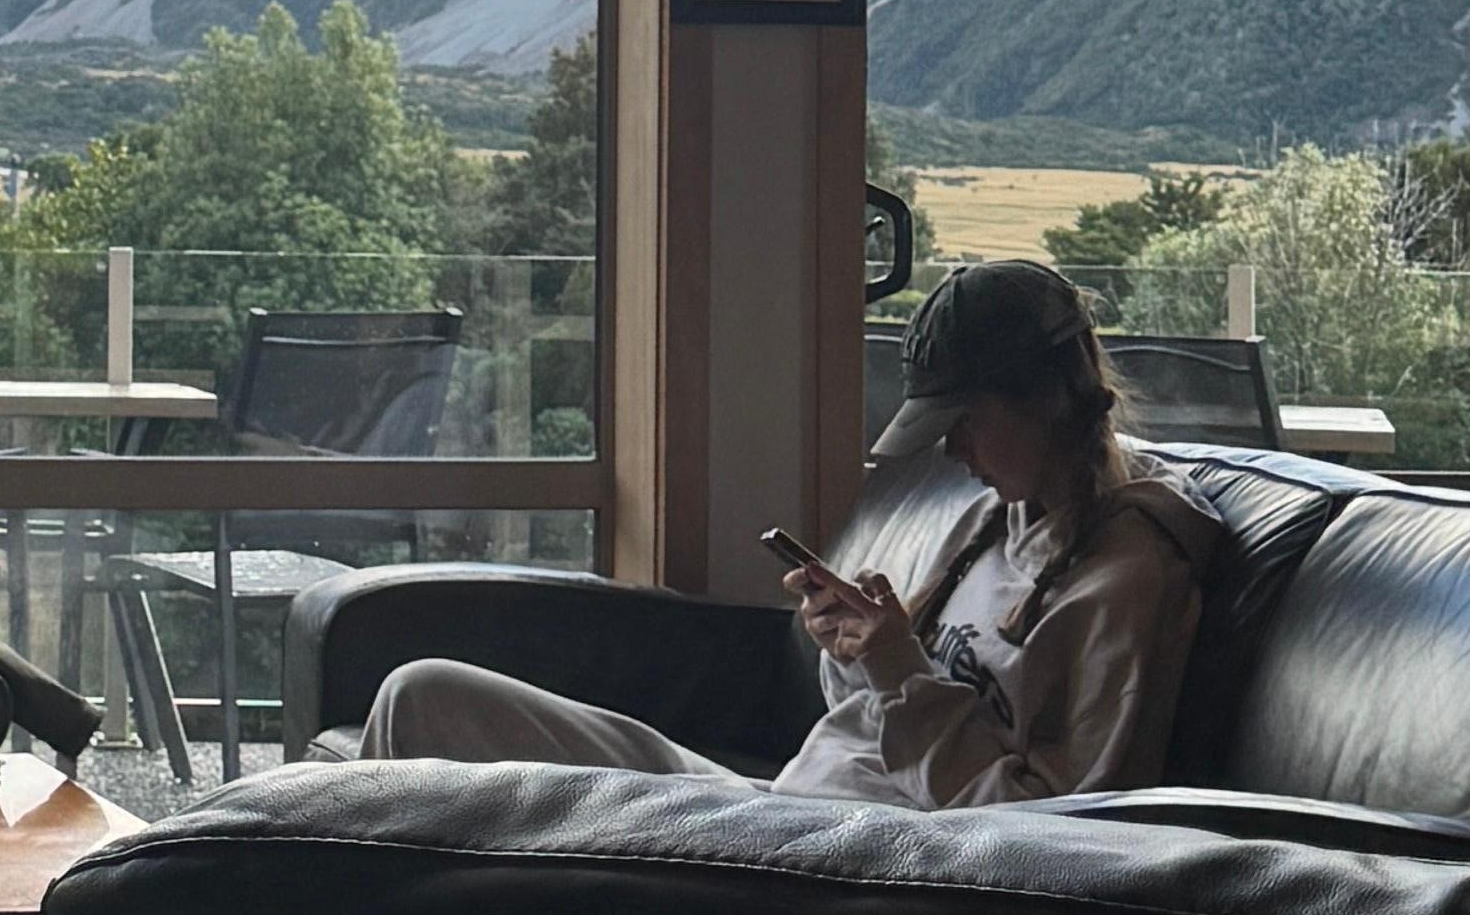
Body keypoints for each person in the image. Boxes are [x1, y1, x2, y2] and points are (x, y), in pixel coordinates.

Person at [362, 256, 1213, 806]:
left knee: (422, 722)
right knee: (422, 694)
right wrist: (858, 652)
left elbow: (1050, 838)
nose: (954, 452)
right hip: (777, 806)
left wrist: (901, 673)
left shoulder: (1126, 584)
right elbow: (875, 725)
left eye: (966, 422)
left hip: (811, 859)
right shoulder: (991, 522)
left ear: (1046, 397)